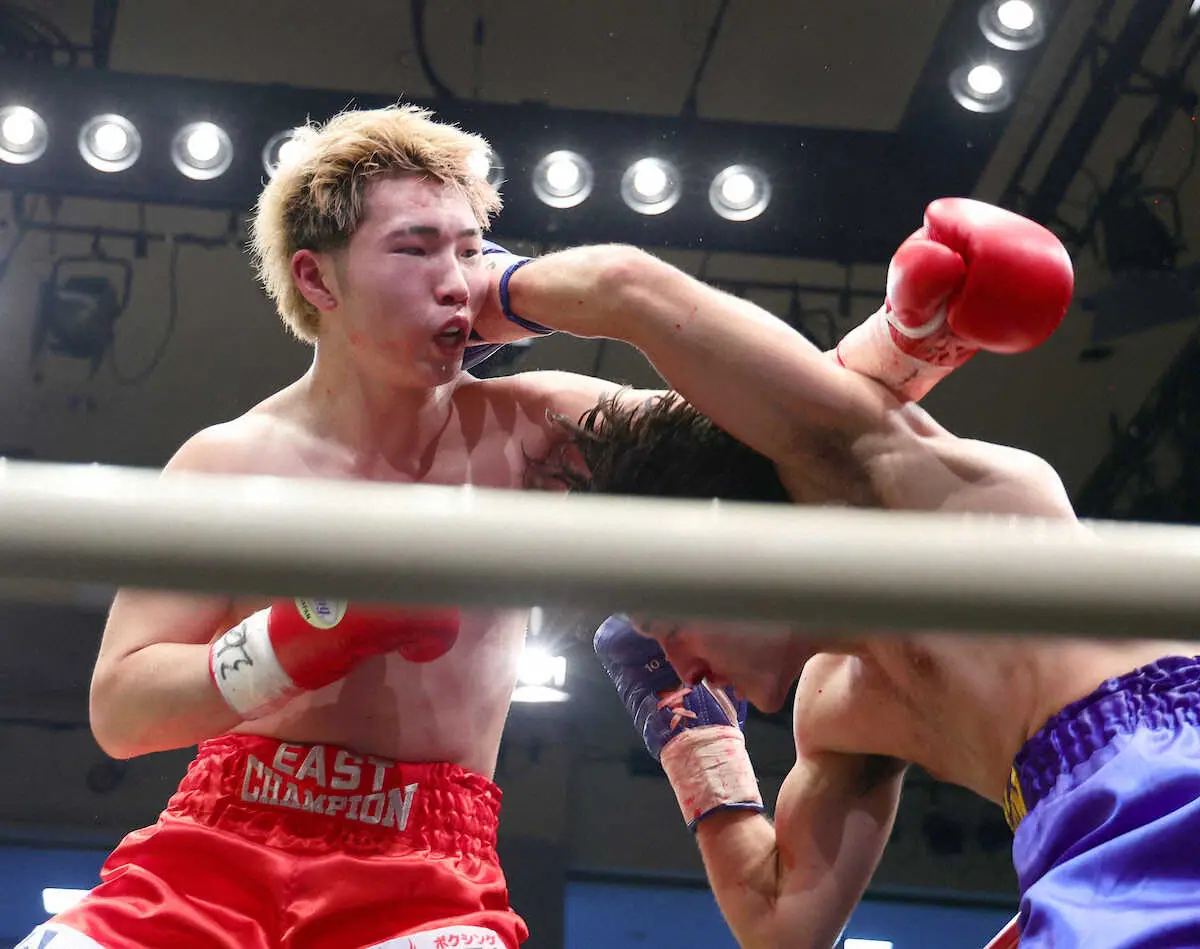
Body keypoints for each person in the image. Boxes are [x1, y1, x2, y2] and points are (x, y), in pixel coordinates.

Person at [489, 201, 1200, 948]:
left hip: (1171, 773)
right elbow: (780, 928)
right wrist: (692, 740)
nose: (683, 671)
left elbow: (626, 286)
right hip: (1072, 860)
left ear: (724, 545)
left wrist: (484, 293)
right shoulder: (841, 709)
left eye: (668, 628)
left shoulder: (886, 480)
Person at [20, 104, 642, 949]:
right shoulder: (229, 461)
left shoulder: (538, 430)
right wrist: (302, 635)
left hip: (424, 876)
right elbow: (122, 711)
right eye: (416, 249)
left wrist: (602, 293)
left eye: (472, 252)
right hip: (214, 854)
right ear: (317, 280)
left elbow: (762, 436)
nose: (456, 282)